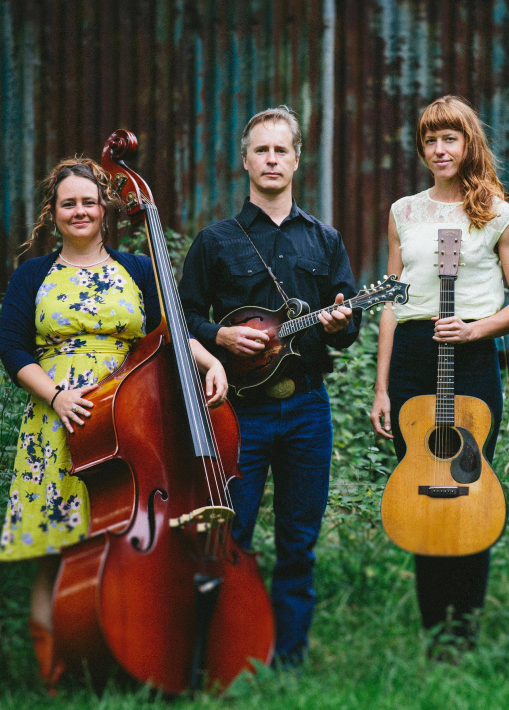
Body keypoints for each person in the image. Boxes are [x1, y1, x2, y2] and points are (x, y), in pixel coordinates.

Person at [0, 157, 228, 691]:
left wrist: (210, 359)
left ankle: (124, 660)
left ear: (105, 209)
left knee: (122, 548)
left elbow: (168, 333)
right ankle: (54, 675)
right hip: (59, 424)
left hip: (129, 428)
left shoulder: (138, 270)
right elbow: (11, 347)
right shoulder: (34, 274)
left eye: (88, 201)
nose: (79, 211)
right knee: (56, 552)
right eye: (68, 203)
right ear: (52, 214)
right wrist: (56, 397)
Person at [178, 106, 361, 666]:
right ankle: (231, 651)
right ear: (245, 161)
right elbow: (181, 318)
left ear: (298, 160)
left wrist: (340, 323)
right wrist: (221, 337)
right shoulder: (215, 241)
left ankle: (288, 659)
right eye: (262, 150)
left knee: (299, 543)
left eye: (282, 150)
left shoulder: (325, 240)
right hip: (239, 413)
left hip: (308, 409)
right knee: (232, 536)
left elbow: (347, 328)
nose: (272, 159)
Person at [370, 95, 509, 652]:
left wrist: (476, 329)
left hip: (469, 355)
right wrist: (381, 387)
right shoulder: (404, 211)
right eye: (430, 140)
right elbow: (393, 302)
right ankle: (432, 631)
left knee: (470, 490)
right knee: (419, 490)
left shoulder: (496, 212)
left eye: (450, 138)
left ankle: (463, 631)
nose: (439, 150)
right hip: (415, 358)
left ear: (468, 144)